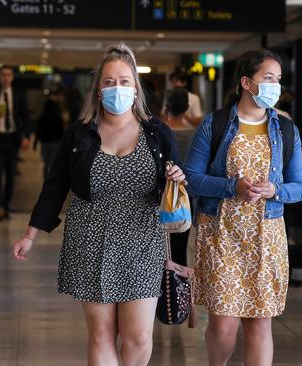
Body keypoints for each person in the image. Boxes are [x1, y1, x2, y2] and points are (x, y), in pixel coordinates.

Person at [12, 43, 185, 366]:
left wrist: (177, 175)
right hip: (90, 241)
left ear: (136, 88)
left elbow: (176, 185)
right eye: (109, 82)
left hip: (142, 242)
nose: (116, 88)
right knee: (101, 333)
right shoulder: (80, 134)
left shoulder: (157, 133)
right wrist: (30, 235)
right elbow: (55, 187)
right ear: (98, 89)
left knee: (138, 337)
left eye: (124, 81)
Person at [184, 50, 302, 366]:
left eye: (278, 80)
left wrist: (274, 190)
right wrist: (231, 186)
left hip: (266, 237)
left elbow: (300, 188)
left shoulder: (286, 130)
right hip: (220, 235)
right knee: (224, 324)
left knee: (259, 322)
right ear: (246, 83)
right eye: (268, 78)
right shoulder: (216, 124)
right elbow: (192, 178)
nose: (274, 86)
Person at [0, 66, 31, 222]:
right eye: (3, 75)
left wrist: (26, 137)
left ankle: (6, 206)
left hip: (13, 139)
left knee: (10, 176)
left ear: (12, 77)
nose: (6, 78)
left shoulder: (19, 95)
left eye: (9, 75)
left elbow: (25, 118)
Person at [161, 88, 194, 266]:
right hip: (184, 199)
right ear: (186, 109)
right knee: (179, 249)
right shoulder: (194, 134)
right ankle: (178, 290)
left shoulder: (159, 132)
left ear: (166, 107)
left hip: (160, 199)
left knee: (159, 248)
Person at [34, 94, 65, 177]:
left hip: (45, 143)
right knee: (52, 164)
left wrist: (35, 143)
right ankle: (51, 181)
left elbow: (38, 131)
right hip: (55, 143)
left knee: (46, 163)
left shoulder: (42, 118)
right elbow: (62, 132)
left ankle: (45, 180)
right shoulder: (58, 118)